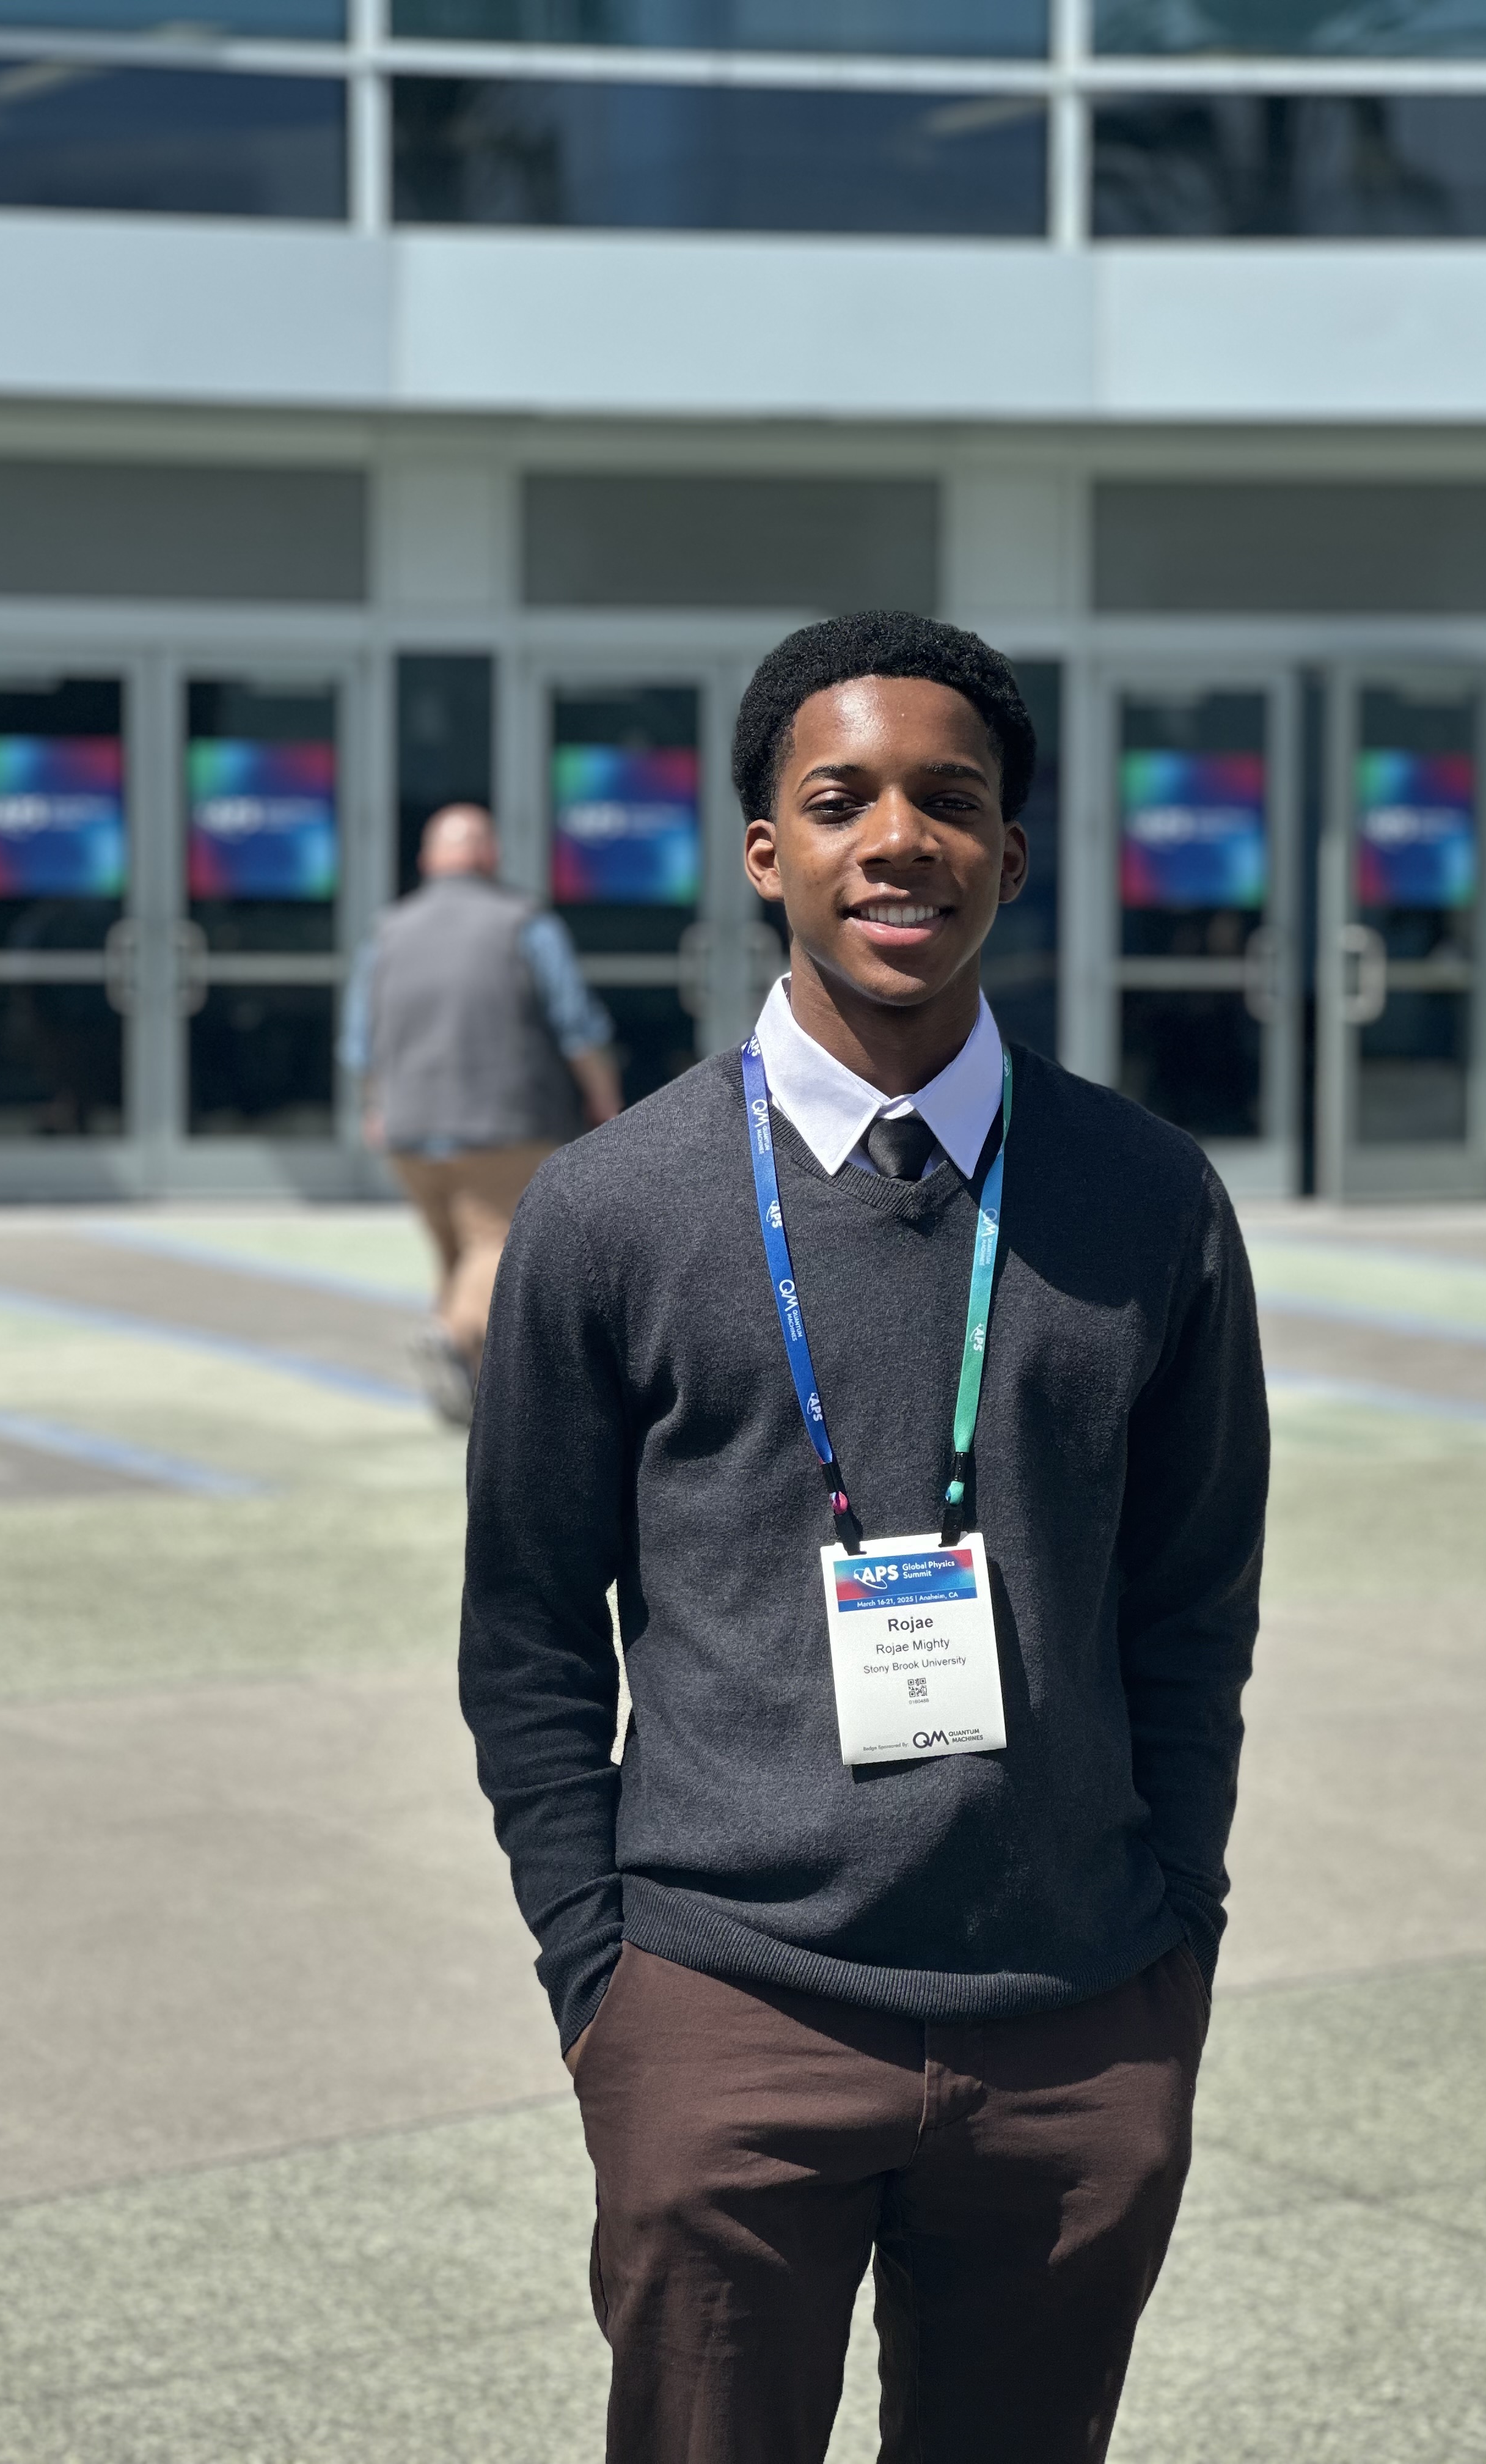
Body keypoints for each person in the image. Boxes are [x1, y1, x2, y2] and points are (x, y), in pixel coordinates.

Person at [459, 614, 1269, 2464]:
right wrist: (610, 1993)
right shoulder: (608, 1213)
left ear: (1009, 850)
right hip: (725, 2012)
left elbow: (1190, 1614)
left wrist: (1170, 1972)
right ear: (769, 853)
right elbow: (523, 1632)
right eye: (841, 800)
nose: (896, 837)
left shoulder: (1148, 1202)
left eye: (949, 800)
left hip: (1075, 2021)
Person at [340, 801, 622, 1425]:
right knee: (494, 1243)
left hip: (408, 1130)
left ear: (427, 859)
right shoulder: (525, 923)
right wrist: (602, 1095)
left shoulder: (387, 930)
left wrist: (374, 1106)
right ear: (490, 854)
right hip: (503, 1125)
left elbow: (360, 1040)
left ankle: (466, 1386)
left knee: (453, 1253)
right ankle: (451, 1339)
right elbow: (575, 1024)